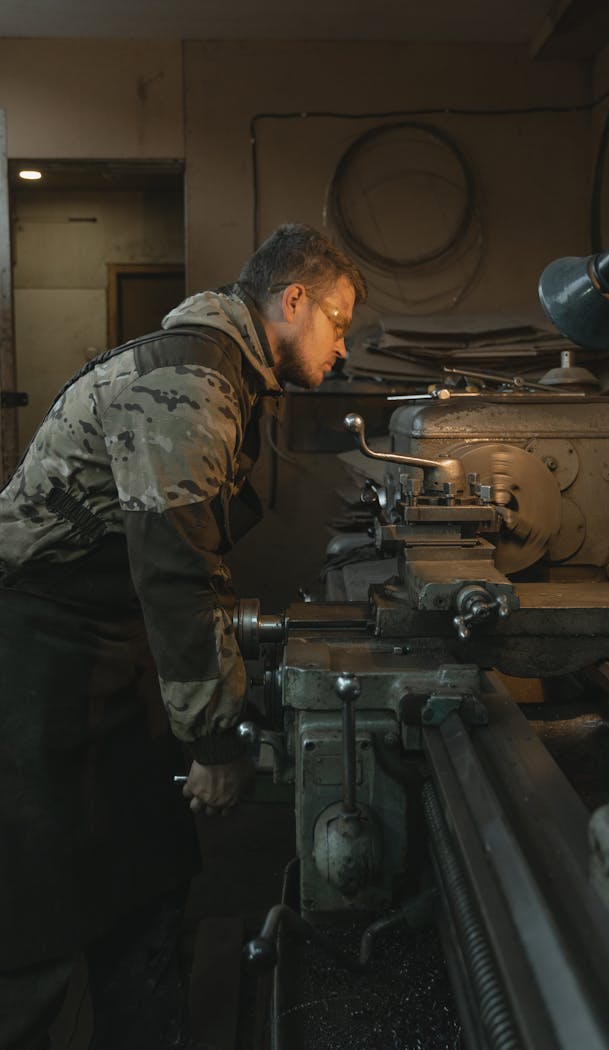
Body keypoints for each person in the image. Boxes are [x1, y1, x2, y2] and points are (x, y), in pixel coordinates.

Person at [0, 223, 367, 1049]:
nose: (343, 349)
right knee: (38, 906)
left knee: (143, 877)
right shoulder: (191, 381)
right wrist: (217, 737)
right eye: (339, 323)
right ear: (293, 300)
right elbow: (176, 574)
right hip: (38, 651)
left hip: (107, 641)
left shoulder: (226, 372)